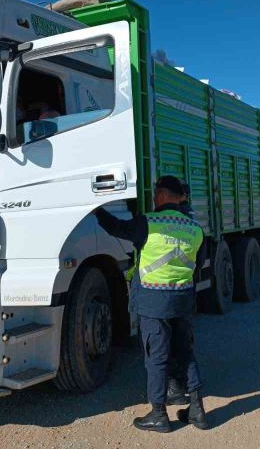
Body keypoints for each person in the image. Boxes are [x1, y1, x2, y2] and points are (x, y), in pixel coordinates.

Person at [95, 176, 207, 432]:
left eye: (157, 193)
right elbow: (198, 265)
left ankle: (158, 414)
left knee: (156, 357)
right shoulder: (194, 228)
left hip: (154, 302)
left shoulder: (149, 223)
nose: (154, 197)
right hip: (183, 299)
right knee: (185, 353)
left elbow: (117, 228)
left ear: (165, 196)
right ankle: (197, 410)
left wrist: (96, 210)